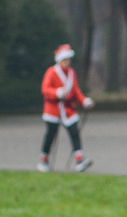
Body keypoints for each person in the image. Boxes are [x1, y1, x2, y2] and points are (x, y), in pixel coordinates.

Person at [39, 44, 94, 173]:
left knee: (74, 133)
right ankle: (44, 159)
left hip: (68, 110)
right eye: (65, 59)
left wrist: (84, 101)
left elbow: (75, 90)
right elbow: (45, 89)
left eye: (68, 59)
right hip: (53, 110)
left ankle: (79, 159)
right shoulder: (51, 72)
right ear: (60, 60)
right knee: (51, 135)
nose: (67, 62)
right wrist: (57, 93)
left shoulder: (71, 73)